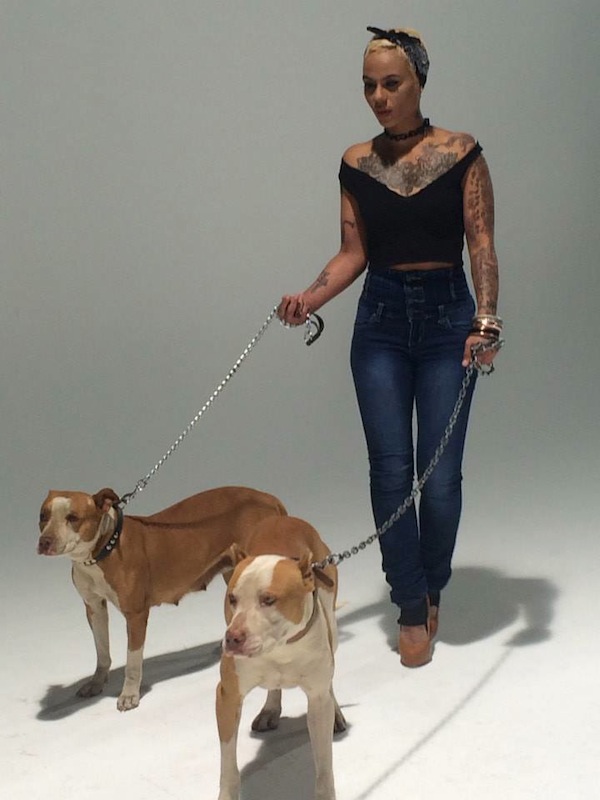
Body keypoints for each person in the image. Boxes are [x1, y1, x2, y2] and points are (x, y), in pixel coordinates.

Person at [278, 26, 501, 667]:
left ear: (419, 82)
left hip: (447, 317)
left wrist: (486, 320)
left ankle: (433, 584)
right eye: (369, 86)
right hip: (380, 319)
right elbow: (353, 252)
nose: (378, 97)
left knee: (442, 475)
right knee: (390, 470)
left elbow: (481, 243)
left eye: (391, 84)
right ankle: (408, 601)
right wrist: (310, 298)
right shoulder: (356, 163)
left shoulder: (462, 153)